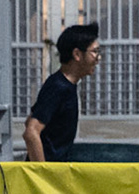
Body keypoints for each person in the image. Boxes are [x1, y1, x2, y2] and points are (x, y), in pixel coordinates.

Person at [25, 23, 100, 161]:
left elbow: (30, 119)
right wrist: (41, 173)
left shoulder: (65, 85)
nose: (98, 58)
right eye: (94, 52)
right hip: (48, 176)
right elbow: (31, 132)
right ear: (77, 54)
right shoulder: (58, 87)